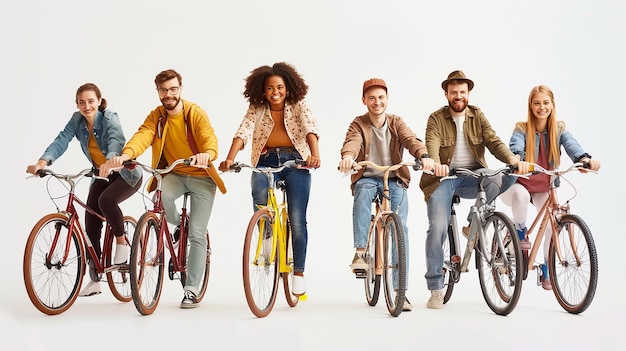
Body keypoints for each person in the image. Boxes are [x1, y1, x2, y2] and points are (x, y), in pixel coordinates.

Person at [101, 69, 226, 309]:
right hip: (174, 174)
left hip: (200, 176)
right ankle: (178, 227)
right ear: (158, 92)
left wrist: (206, 154)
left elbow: (209, 137)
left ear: (180, 89)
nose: (168, 94)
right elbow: (143, 135)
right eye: (163, 90)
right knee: (160, 196)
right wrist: (127, 155)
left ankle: (190, 290)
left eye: (173, 89)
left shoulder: (194, 113)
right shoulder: (157, 116)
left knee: (198, 234)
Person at [26, 83, 143, 297]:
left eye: (91, 101)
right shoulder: (77, 120)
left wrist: (110, 162)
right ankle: (95, 279)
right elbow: (62, 140)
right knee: (90, 222)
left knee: (106, 201)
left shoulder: (110, 117)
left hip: (125, 173)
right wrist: (42, 162)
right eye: (82, 102)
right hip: (100, 173)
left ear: (99, 101)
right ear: (77, 104)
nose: (86, 106)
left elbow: (116, 140)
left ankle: (121, 243)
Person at [419, 70, 522, 309]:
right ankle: (435, 289)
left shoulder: (477, 115)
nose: (458, 96)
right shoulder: (436, 118)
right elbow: (431, 142)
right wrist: (435, 164)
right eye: (453, 92)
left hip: (473, 175)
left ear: (468, 93)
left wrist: (511, 159)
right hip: (443, 180)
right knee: (437, 228)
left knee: (505, 176)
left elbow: (493, 141)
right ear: (446, 94)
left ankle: (471, 225)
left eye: (462, 92)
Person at [218, 62, 320, 297]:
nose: (275, 92)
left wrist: (315, 154)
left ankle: (299, 273)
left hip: (296, 161)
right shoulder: (258, 107)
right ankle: (265, 235)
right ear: (262, 91)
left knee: (297, 220)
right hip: (265, 161)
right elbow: (244, 129)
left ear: (288, 87)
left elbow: (309, 127)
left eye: (280, 87)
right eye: (270, 88)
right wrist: (230, 158)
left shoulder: (297, 105)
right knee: (259, 192)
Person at [339, 78, 434, 312]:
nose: (376, 102)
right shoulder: (358, 124)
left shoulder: (396, 122)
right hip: (368, 177)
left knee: (401, 229)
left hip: (394, 177)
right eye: (371, 98)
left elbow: (410, 140)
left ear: (387, 99)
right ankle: (361, 253)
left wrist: (423, 155)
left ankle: (401, 291)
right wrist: (348, 157)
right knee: (362, 193)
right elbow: (352, 142)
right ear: (364, 100)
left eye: (381, 97)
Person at [499, 85, 601, 290]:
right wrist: (518, 159)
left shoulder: (559, 129)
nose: (541, 107)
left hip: (545, 185)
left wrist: (584, 159)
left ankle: (547, 265)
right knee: (520, 195)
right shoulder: (521, 128)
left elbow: (572, 145)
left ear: (552, 105)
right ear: (531, 105)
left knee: (550, 227)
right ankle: (520, 231)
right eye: (537, 103)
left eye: (546, 103)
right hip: (519, 184)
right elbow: (515, 145)